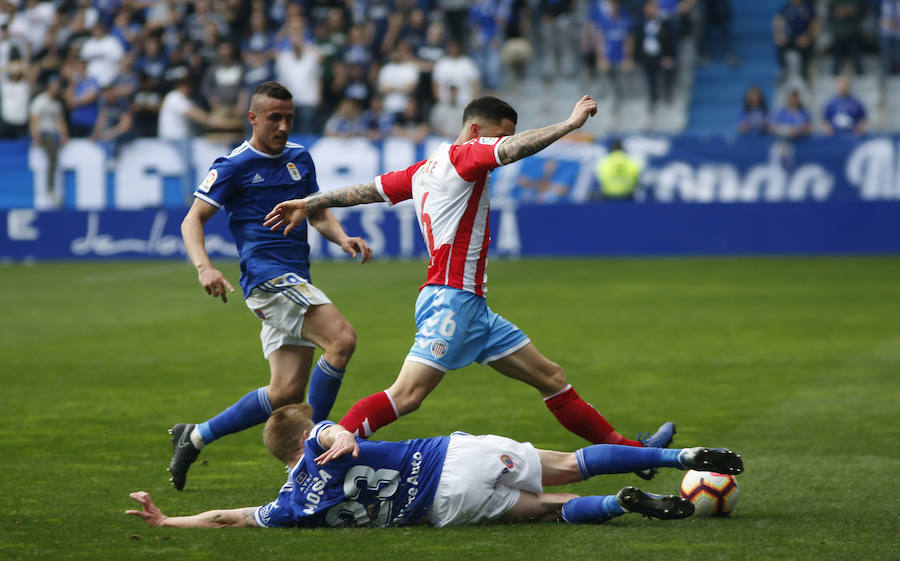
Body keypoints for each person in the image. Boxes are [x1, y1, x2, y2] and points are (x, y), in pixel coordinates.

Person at [264, 95, 676, 480]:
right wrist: (569, 125)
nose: (504, 145)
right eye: (500, 135)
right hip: (452, 303)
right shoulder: (467, 156)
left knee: (551, 377)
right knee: (405, 396)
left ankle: (635, 454)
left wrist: (311, 202)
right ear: (478, 131)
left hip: (470, 307)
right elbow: (515, 150)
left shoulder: (424, 169)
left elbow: (367, 191)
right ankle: (316, 462)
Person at [169, 81, 373, 492]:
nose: (282, 126)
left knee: (285, 392)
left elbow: (315, 212)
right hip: (269, 278)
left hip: (295, 277)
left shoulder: (299, 157)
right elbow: (192, 220)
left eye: (288, 118)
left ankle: (194, 436)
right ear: (253, 118)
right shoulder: (233, 165)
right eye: (274, 118)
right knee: (342, 340)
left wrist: (341, 236)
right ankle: (317, 450)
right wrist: (204, 268)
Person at [129, 403, 745, 529]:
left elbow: (230, 519)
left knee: (545, 511)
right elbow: (329, 429)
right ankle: (675, 458)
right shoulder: (321, 434)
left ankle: (619, 508)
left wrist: (168, 522)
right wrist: (338, 432)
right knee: (571, 462)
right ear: (302, 434)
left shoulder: (289, 503)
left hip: (441, 506)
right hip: (450, 455)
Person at [773, 0, 819, 82]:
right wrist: (780, 35)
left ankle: (804, 72)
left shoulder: (808, 7)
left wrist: (807, 36)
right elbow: (778, 20)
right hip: (790, 38)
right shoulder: (786, 7)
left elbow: (815, 23)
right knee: (779, 45)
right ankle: (784, 68)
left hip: (804, 38)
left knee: (808, 48)